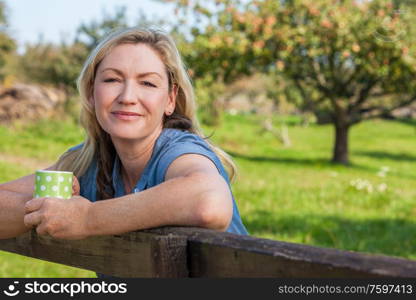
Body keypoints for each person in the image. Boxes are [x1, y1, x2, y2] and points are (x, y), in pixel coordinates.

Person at [0, 27, 248, 276]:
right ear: (90, 92)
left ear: (170, 99)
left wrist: (87, 218)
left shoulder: (180, 150)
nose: (128, 97)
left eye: (148, 83)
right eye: (112, 80)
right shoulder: (88, 163)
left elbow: (209, 201)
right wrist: (48, 211)